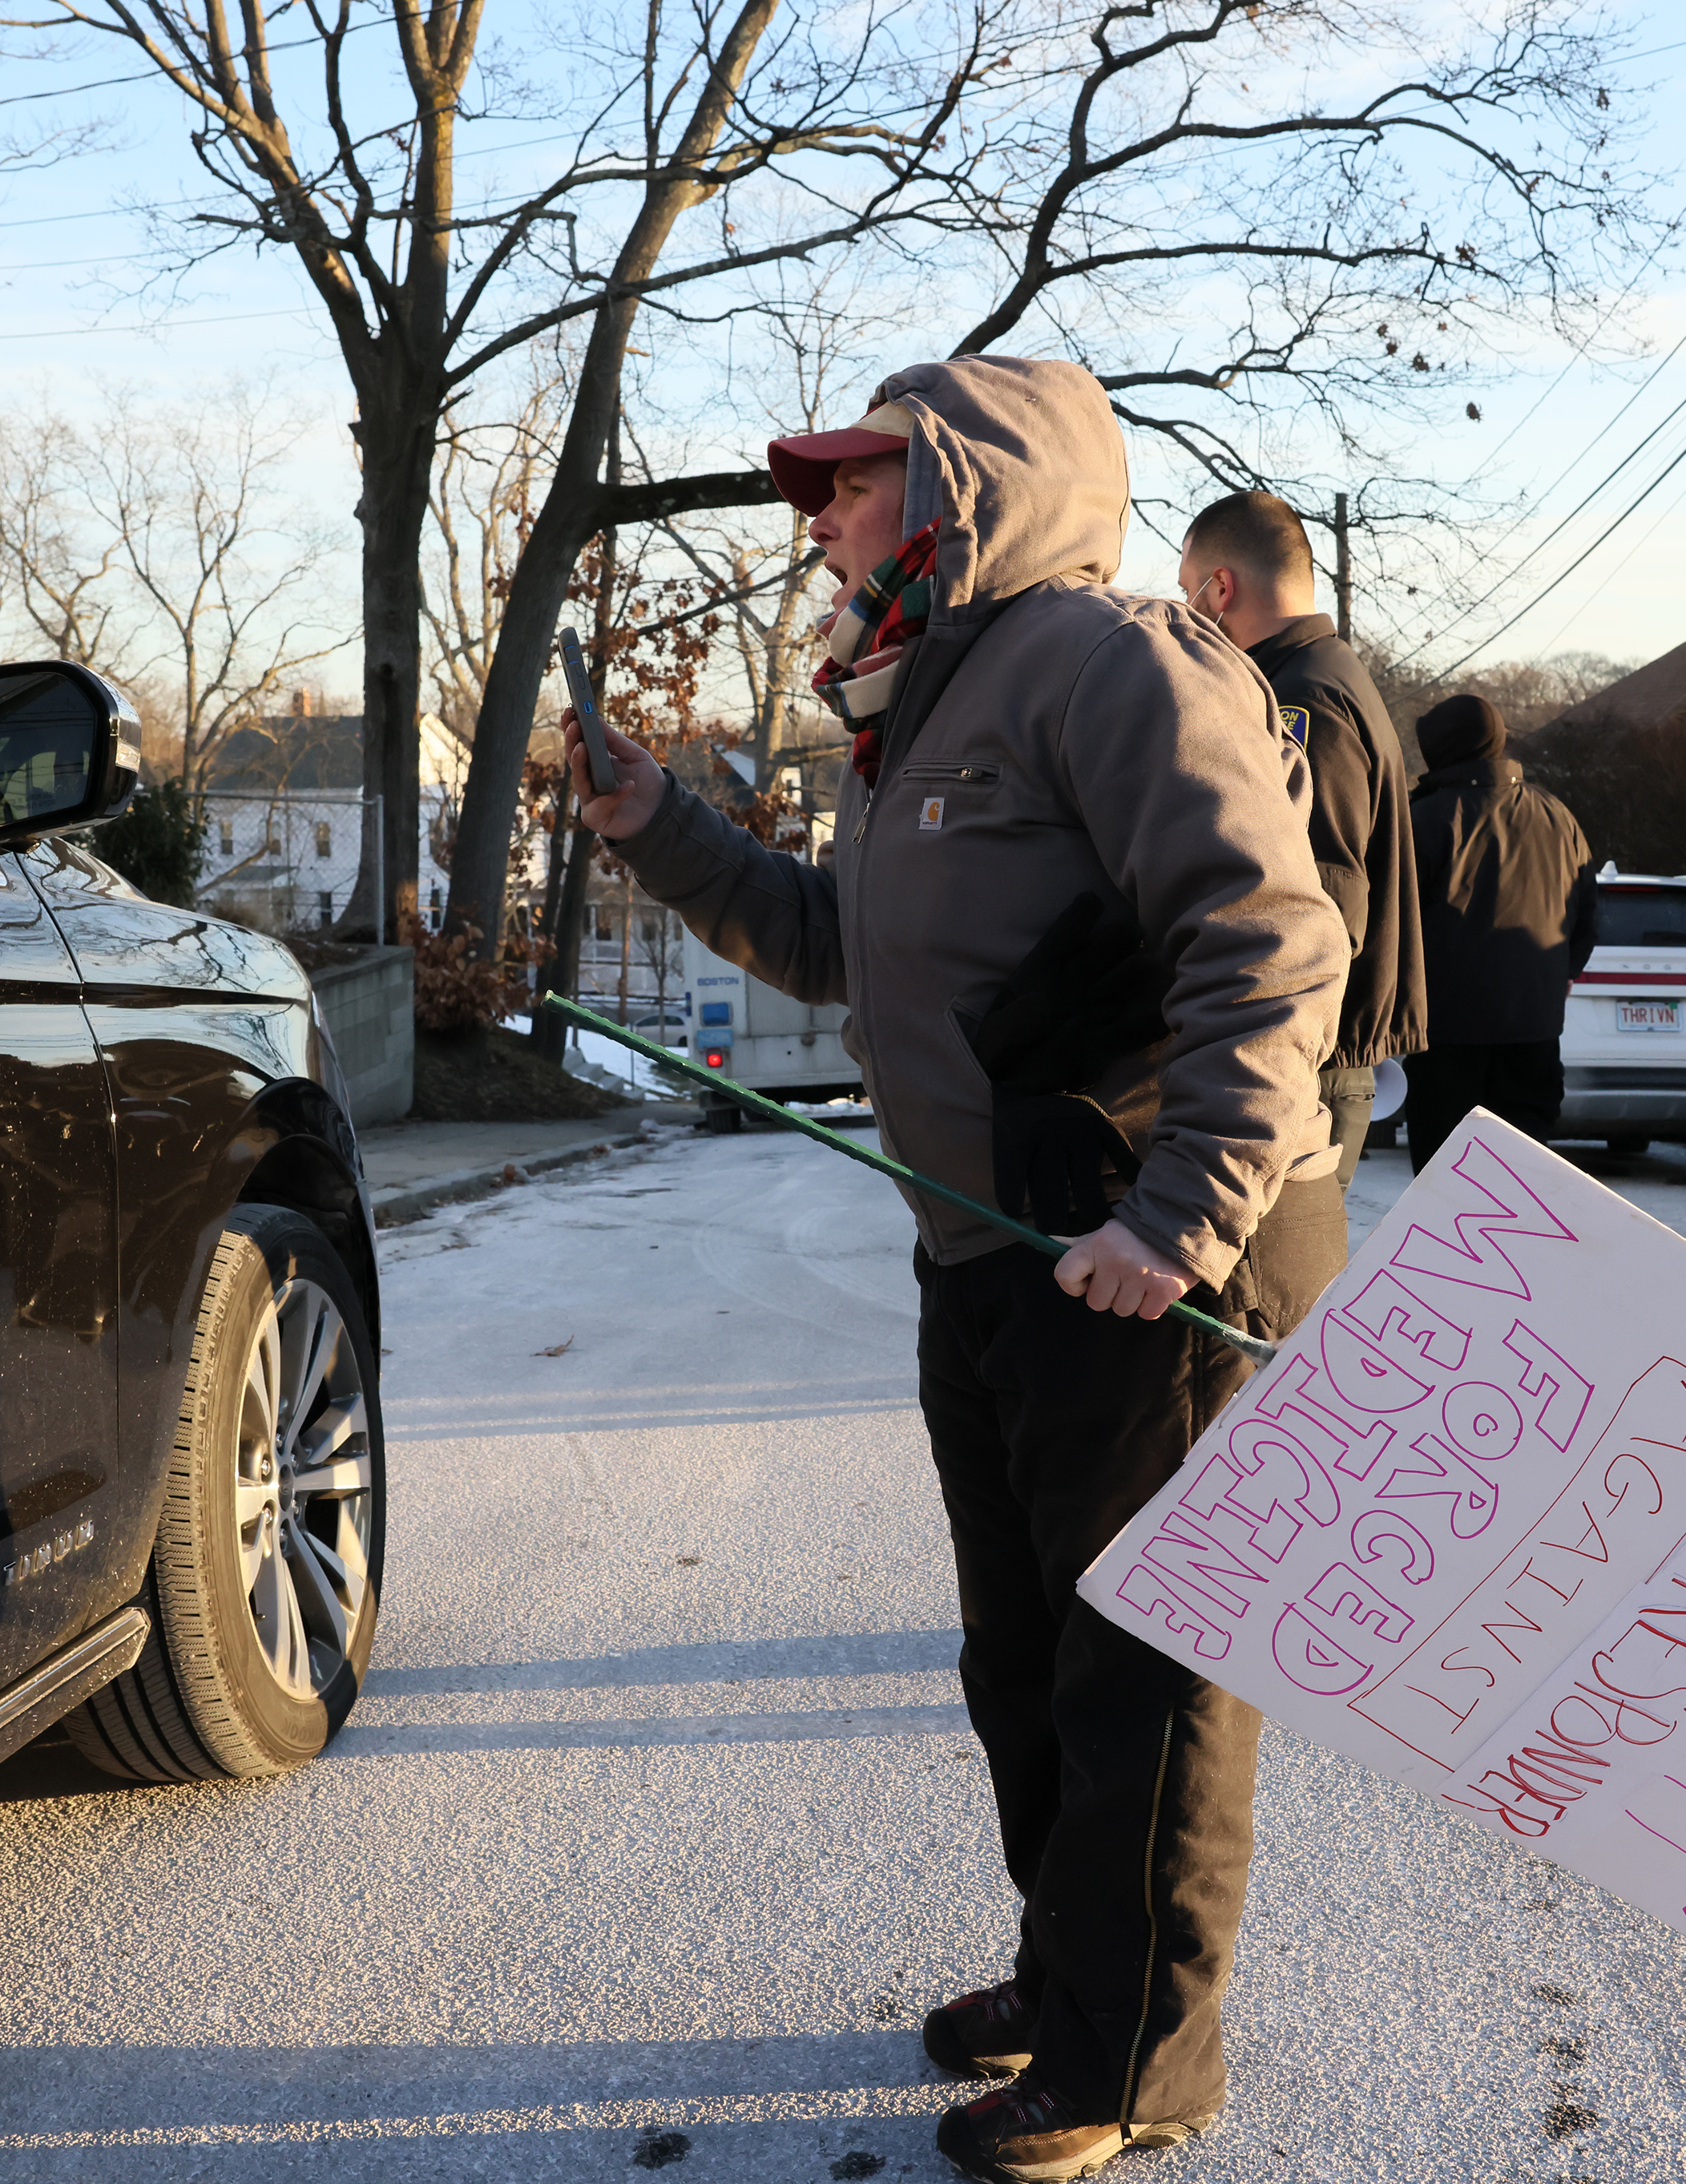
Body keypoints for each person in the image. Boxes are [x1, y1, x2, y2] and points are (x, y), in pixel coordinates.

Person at [566, 358, 1349, 2184]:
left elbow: (1268, 936)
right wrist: (655, 826)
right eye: (817, 491)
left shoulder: (1108, 658)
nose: (818, 519)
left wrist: (1177, 1220)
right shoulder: (918, 708)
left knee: (1131, 1677)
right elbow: (840, 945)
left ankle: (1129, 2065)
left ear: (964, 483)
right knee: (1018, 1661)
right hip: (981, 1257)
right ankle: (1063, 1970)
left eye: (850, 481)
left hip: (1120, 1258)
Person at [1172, 490, 1426, 1156]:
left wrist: (1264, 1052)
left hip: (1300, 1060)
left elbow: (1320, 895)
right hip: (1306, 1054)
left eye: (1187, 592)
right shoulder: (1318, 675)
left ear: (1220, 588)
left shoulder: (1298, 698)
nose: (1185, 614)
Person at [1398, 693, 1595, 1168]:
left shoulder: (1421, 819)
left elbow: (1393, 927)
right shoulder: (1558, 817)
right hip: (1534, 1032)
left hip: (1444, 1035)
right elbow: (1585, 916)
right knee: (1521, 1184)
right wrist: (1557, 978)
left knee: (1445, 1186)